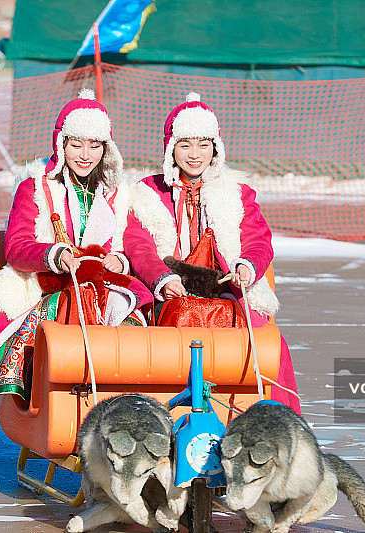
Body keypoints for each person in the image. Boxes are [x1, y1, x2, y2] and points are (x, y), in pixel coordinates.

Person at [0, 89, 152, 412]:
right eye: (76, 144)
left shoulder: (119, 194)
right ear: (61, 143)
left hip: (103, 287)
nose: (85, 154)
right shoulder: (35, 187)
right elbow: (16, 247)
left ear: (106, 148)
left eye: (94, 145)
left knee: (138, 322)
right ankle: (62, 403)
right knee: (68, 313)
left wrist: (119, 260)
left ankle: (120, 400)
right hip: (48, 287)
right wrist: (54, 255)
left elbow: (126, 245)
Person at [123, 92, 300, 413]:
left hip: (226, 290)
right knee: (181, 320)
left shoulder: (236, 192)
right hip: (169, 293)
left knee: (266, 339)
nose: (194, 154)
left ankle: (276, 419)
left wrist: (247, 266)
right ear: (170, 148)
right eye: (185, 144)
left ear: (215, 148)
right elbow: (138, 245)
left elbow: (259, 240)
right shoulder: (147, 193)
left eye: (203, 144)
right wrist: (161, 278)